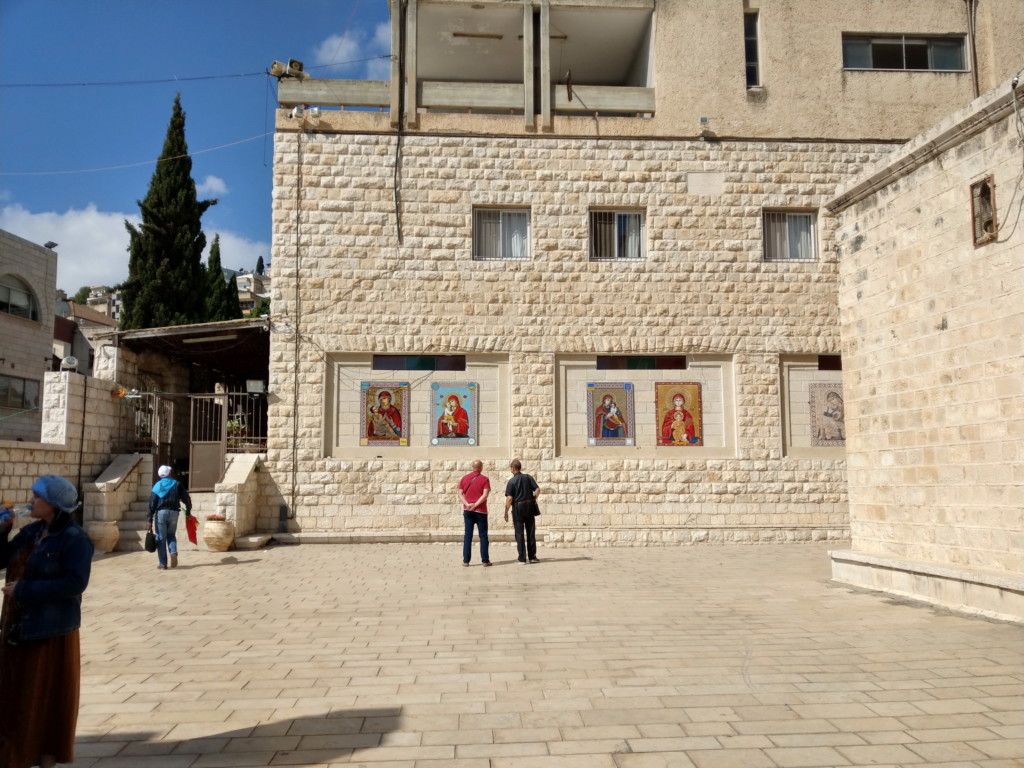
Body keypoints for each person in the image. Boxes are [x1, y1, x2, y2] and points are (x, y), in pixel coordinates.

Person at [0, 474, 94, 768]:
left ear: (53, 504)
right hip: (19, 624)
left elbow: (75, 583)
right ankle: (18, 754)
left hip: (51, 630)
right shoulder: (32, 532)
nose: (31, 501)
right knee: (16, 694)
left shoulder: (75, 539)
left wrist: (24, 590)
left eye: (37, 497)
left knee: (43, 697)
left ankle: (45, 757)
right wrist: (2, 531)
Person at [148, 465, 192, 570]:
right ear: (169, 473)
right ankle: (173, 552)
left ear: (159, 475)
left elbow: (152, 503)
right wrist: (188, 510)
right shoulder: (177, 484)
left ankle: (163, 563)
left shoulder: (157, 485)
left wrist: (149, 518)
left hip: (161, 513)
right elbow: (186, 498)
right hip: (174, 513)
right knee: (171, 534)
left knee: (161, 538)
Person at [504, 458, 540, 564]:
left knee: (519, 533)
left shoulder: (511, 481)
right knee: (531, 531)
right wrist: (534, 498)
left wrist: (506, 511)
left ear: (513, 468)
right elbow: (537, 489)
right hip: (529, 506)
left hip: (518, 507)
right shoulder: (528, 477)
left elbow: (509, 498)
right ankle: (532, 557)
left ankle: (522, 558)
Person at [458, 460, 491, 566]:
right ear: (481, 467)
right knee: (483, 536)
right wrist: (475, 505)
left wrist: (467, 504)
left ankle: (466, 561)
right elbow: (485, 495)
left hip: (468, 510)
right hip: (481, 511)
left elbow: (460, 494)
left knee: (468, 536)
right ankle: (485, 561)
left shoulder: (464, 478)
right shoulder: (485, 479)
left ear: (473, 467)